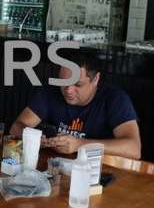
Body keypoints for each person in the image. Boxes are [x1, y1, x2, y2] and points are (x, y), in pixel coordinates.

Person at [11, 51, 141, 158]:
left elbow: (134, 149)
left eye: (77, 85)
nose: (68, 90)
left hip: (98, 171)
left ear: (95, 79)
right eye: (63, 82)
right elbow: (16, 127)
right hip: (53, 168)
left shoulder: (115, 99)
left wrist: (80, 144)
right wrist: (34, 137)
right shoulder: (50, 92)